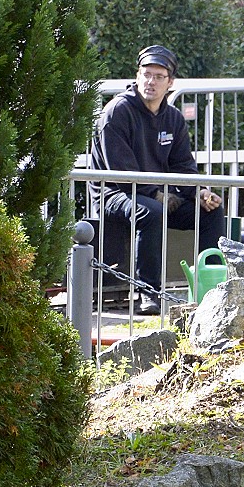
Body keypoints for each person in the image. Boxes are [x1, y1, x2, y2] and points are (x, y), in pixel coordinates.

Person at [90, 44, 225, 315]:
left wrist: (199, 191)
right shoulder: (117, 112)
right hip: (113, 194)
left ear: (170, 82)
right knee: (152, 212)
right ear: (137, 76)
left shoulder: (173, 118)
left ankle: (210, 291)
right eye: (146, 74)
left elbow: (183, 165)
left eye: (158, 76)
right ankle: (148, 293)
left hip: (159, 195)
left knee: (211, 211)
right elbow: (120, 173)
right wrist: (156, 194)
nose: (151, 81)